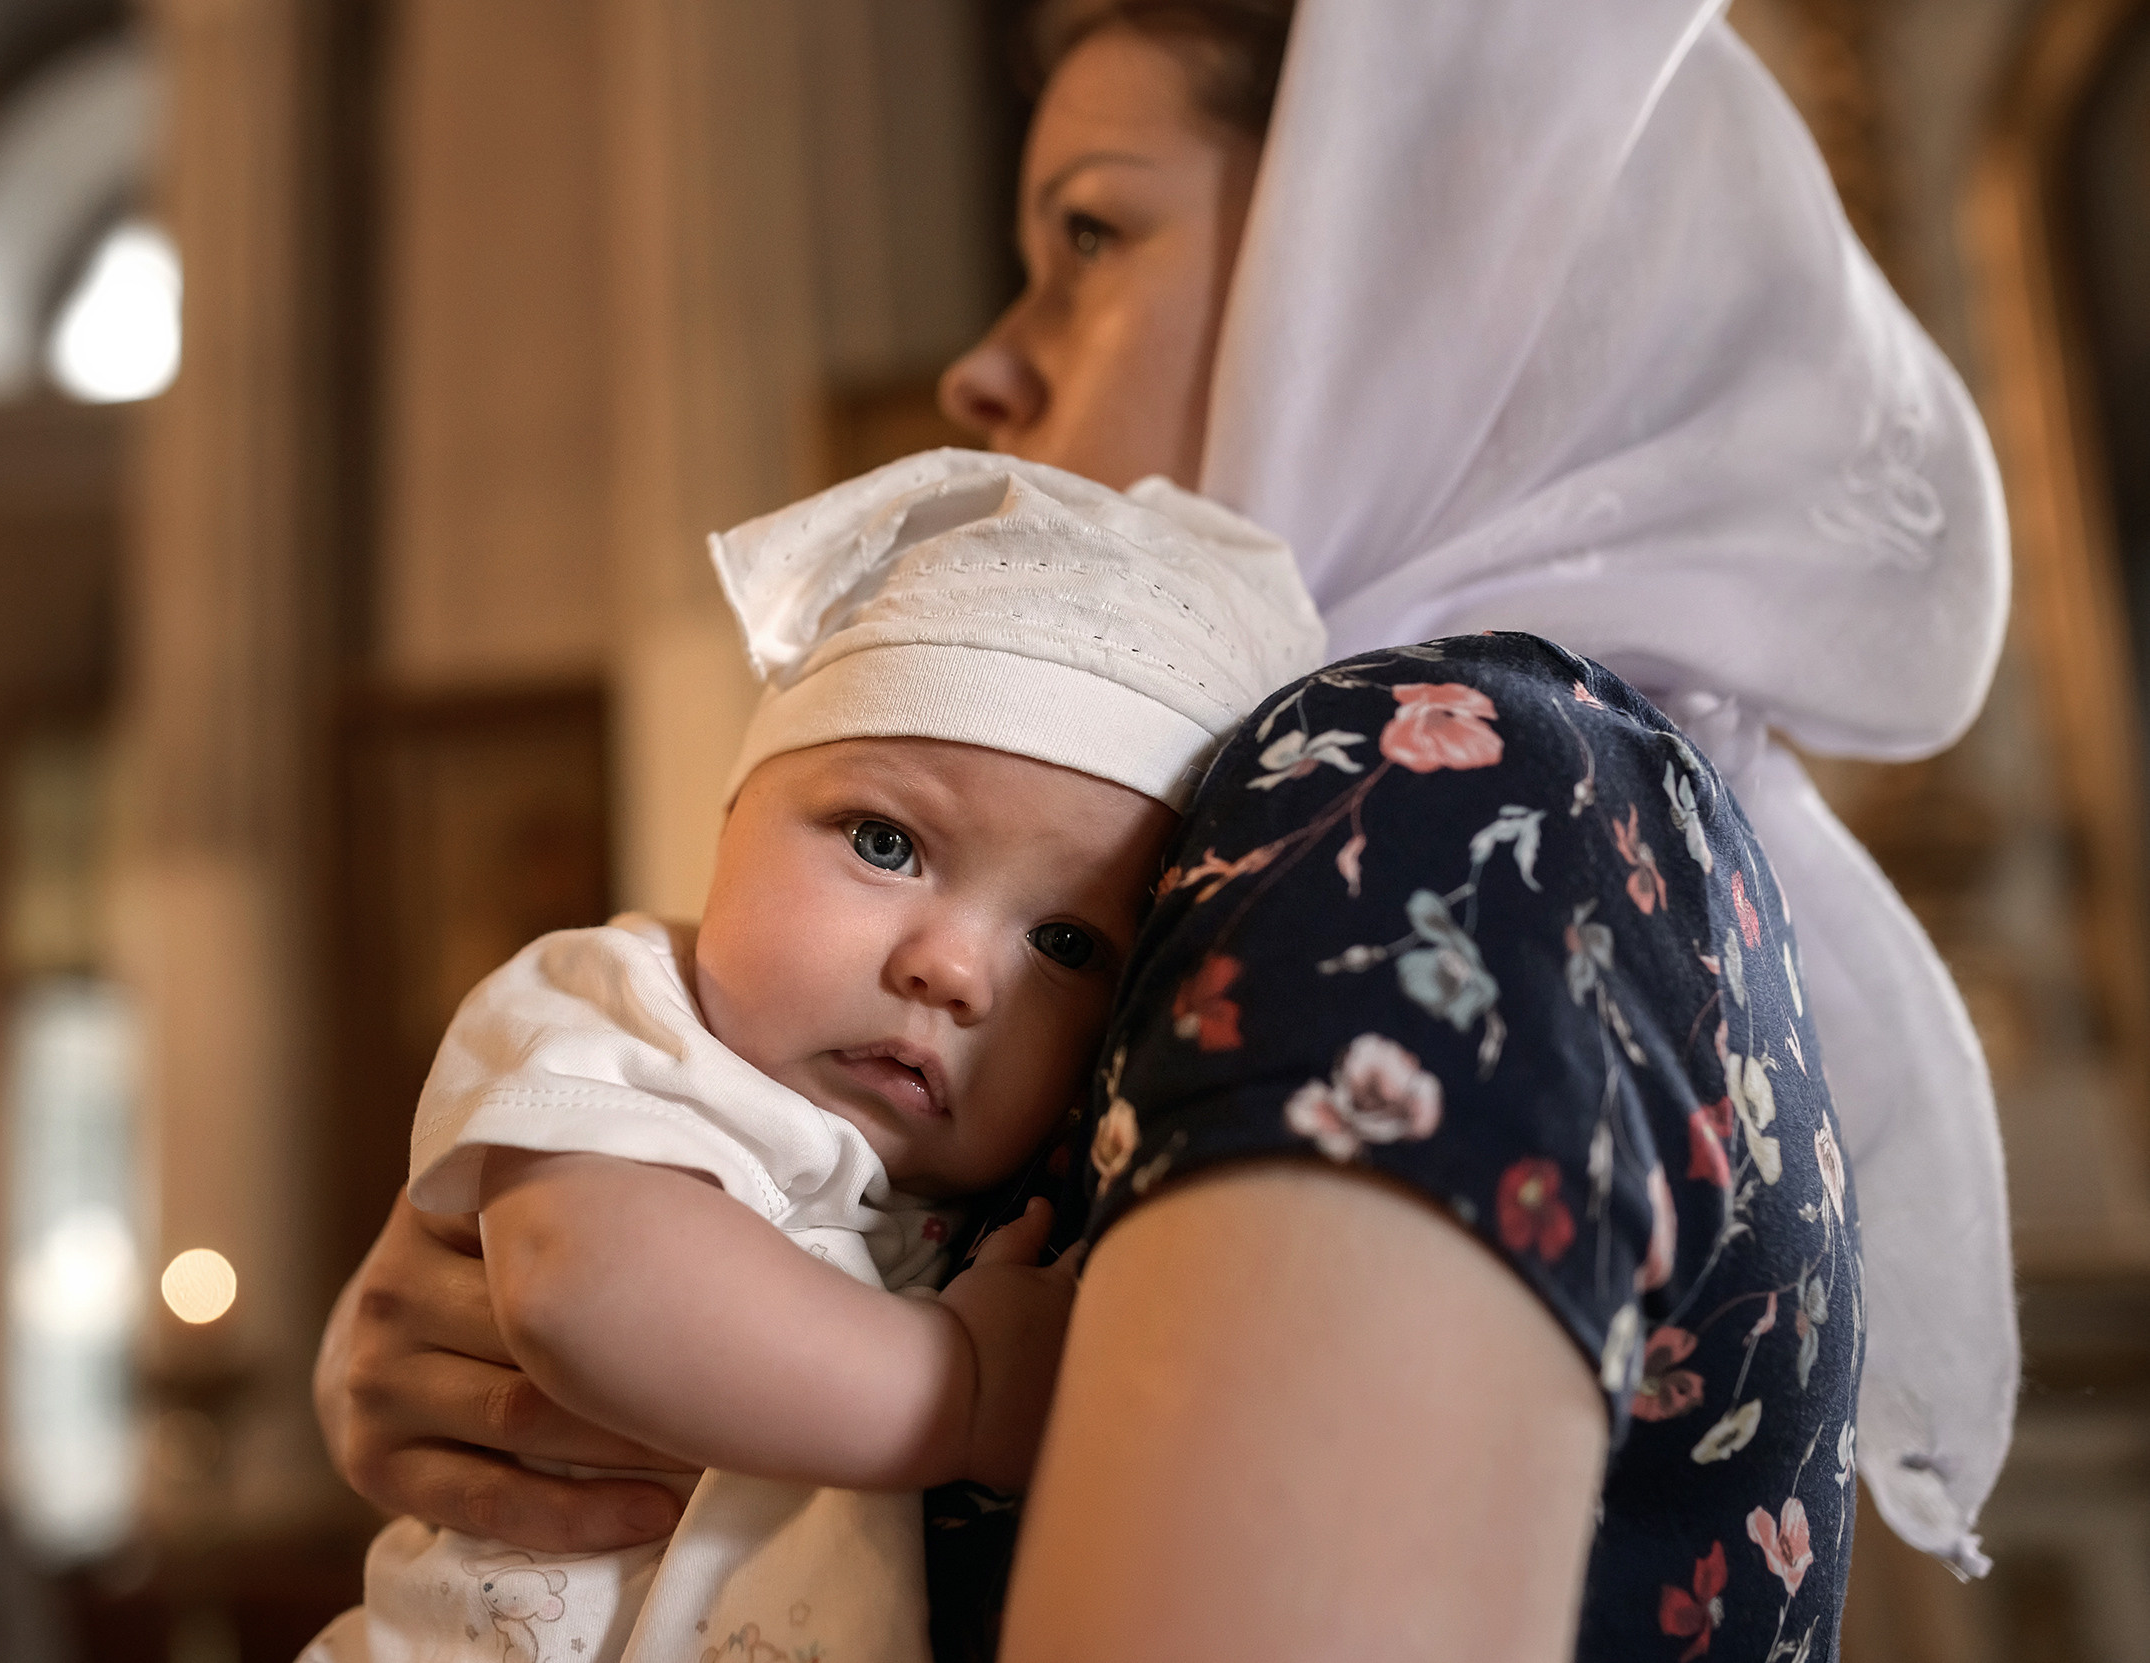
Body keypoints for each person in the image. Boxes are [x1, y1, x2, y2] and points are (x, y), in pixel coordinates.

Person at [317, 0, 2019, 1655]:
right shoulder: (1503, 793)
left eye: (1089, 235)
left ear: (1409, 266)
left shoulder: (1435, 771)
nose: (983, 365)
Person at [304, 451, 1325, 1663]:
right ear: (727, 824)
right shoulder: (622, 1015)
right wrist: (961, 1389)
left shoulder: (1006, 1185)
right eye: (887, 842)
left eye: (1064, 940)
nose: (951, 970)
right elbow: (585, 1283)